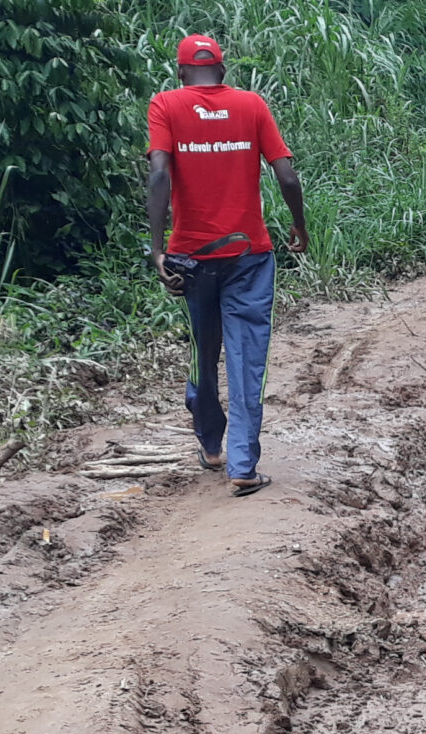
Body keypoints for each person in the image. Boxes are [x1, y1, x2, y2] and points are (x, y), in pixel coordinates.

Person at [146, 34, 308, 497]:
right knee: (245, 357)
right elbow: (286, 174)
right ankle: (241, 464)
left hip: (190, 257)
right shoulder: (251, 105)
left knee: (204, 347)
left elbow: (158, 174)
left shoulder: (166, 105)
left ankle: (210, 443)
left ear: (182, 72)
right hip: (248, 255)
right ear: (222, 69)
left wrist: (158, 250)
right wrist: (300, 227)